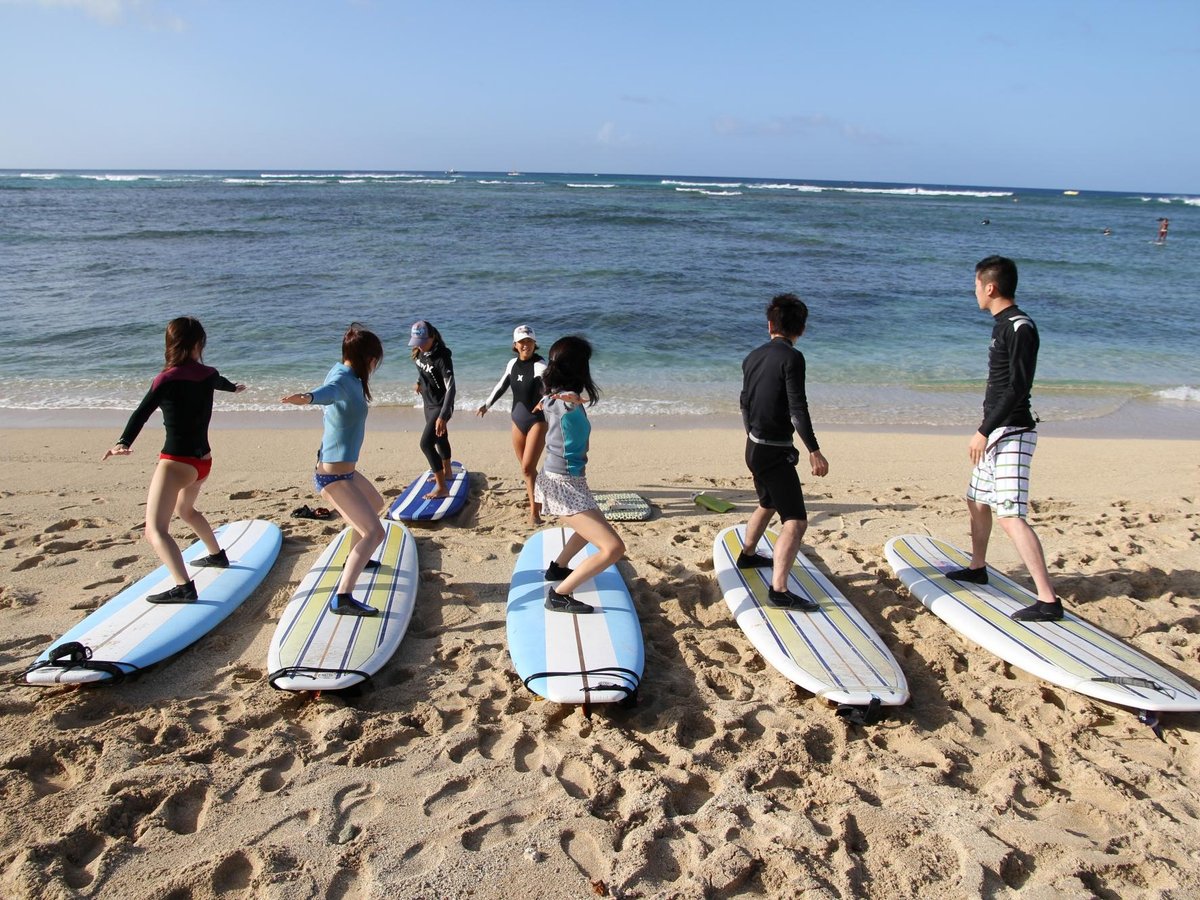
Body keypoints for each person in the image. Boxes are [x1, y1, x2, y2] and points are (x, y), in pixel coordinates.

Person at [946, 256, 1062, 622]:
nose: (974, 291)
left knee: (1011, 516)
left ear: (990, 287)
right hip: (997, 431)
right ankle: (978, 567)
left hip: (1012, 433)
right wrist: (987, 428)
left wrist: (984, 430)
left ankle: (1048, 599)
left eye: (976, 284)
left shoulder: (1020, 326)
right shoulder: (1002, 326)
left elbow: (1018, 387)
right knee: (976, 500)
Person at [103, 317, 245, 603]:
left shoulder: (166, 379)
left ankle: (184, 587)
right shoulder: (208, 374)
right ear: (197, 344)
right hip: (203, 462)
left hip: (175, 464)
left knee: (154, 530)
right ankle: (217, 556)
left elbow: (141, 413)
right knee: (186, 510)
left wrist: (123, 443)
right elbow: (219, 382)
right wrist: (234, 388)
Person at [281, 323, 386, 617]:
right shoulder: (342, 378)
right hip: (332, 476)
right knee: (375, 533)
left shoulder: (349, 375)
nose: (376, 364)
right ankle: (343, 597)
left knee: (376, 504)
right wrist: (306, 398)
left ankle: (359, 560)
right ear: (367, 357)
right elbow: (325, 393)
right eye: (375, 358)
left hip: (346, 472)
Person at [735, 293, 829, 611]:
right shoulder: (793, 358)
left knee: (768, 503)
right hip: (774, 452)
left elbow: (744, 401)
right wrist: (814, 450)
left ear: (769, 324)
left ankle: (748, 555)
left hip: (754, 447)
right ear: (800, 329)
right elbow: (797, 409)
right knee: (796, 521)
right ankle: (779, 590)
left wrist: (752, 434)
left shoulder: (752, 356)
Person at [534, 336, 625, 614]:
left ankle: (557, 568)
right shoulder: (564, 401)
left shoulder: (556, 397)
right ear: (579, 368)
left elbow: (552, 401)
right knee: (613, 548)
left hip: (567, 479)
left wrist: (563, 398)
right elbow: (562, 404)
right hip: (562, 483)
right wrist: (569, 399)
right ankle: (558, 595)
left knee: (591, 528)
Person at [476, 324, 548, 524]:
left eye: (530, 341)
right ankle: (538, 496)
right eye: (522, 342)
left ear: (535, 343)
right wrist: (486, 405)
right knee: (527, 469)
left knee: (527, 467)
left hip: (537, 422)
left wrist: (544, 401)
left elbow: (552, 387)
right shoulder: (511, 364)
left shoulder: (540, 365)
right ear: (515, 344)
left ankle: (535, 512)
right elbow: (501, 385)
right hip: (517, 420)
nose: (526, 345)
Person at [409, 320, 456, 499]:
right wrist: (420, 382)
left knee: (426, 444)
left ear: (432, 337)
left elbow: (451, 388)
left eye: (422, 342)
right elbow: (423, 369)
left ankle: (442, 486)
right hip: (428, 403)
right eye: (416, 343)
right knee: (440, 437)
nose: (419, 347)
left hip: (442, 405)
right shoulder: (420, 352)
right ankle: (448, 472)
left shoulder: (442, 357)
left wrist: (443, 416)